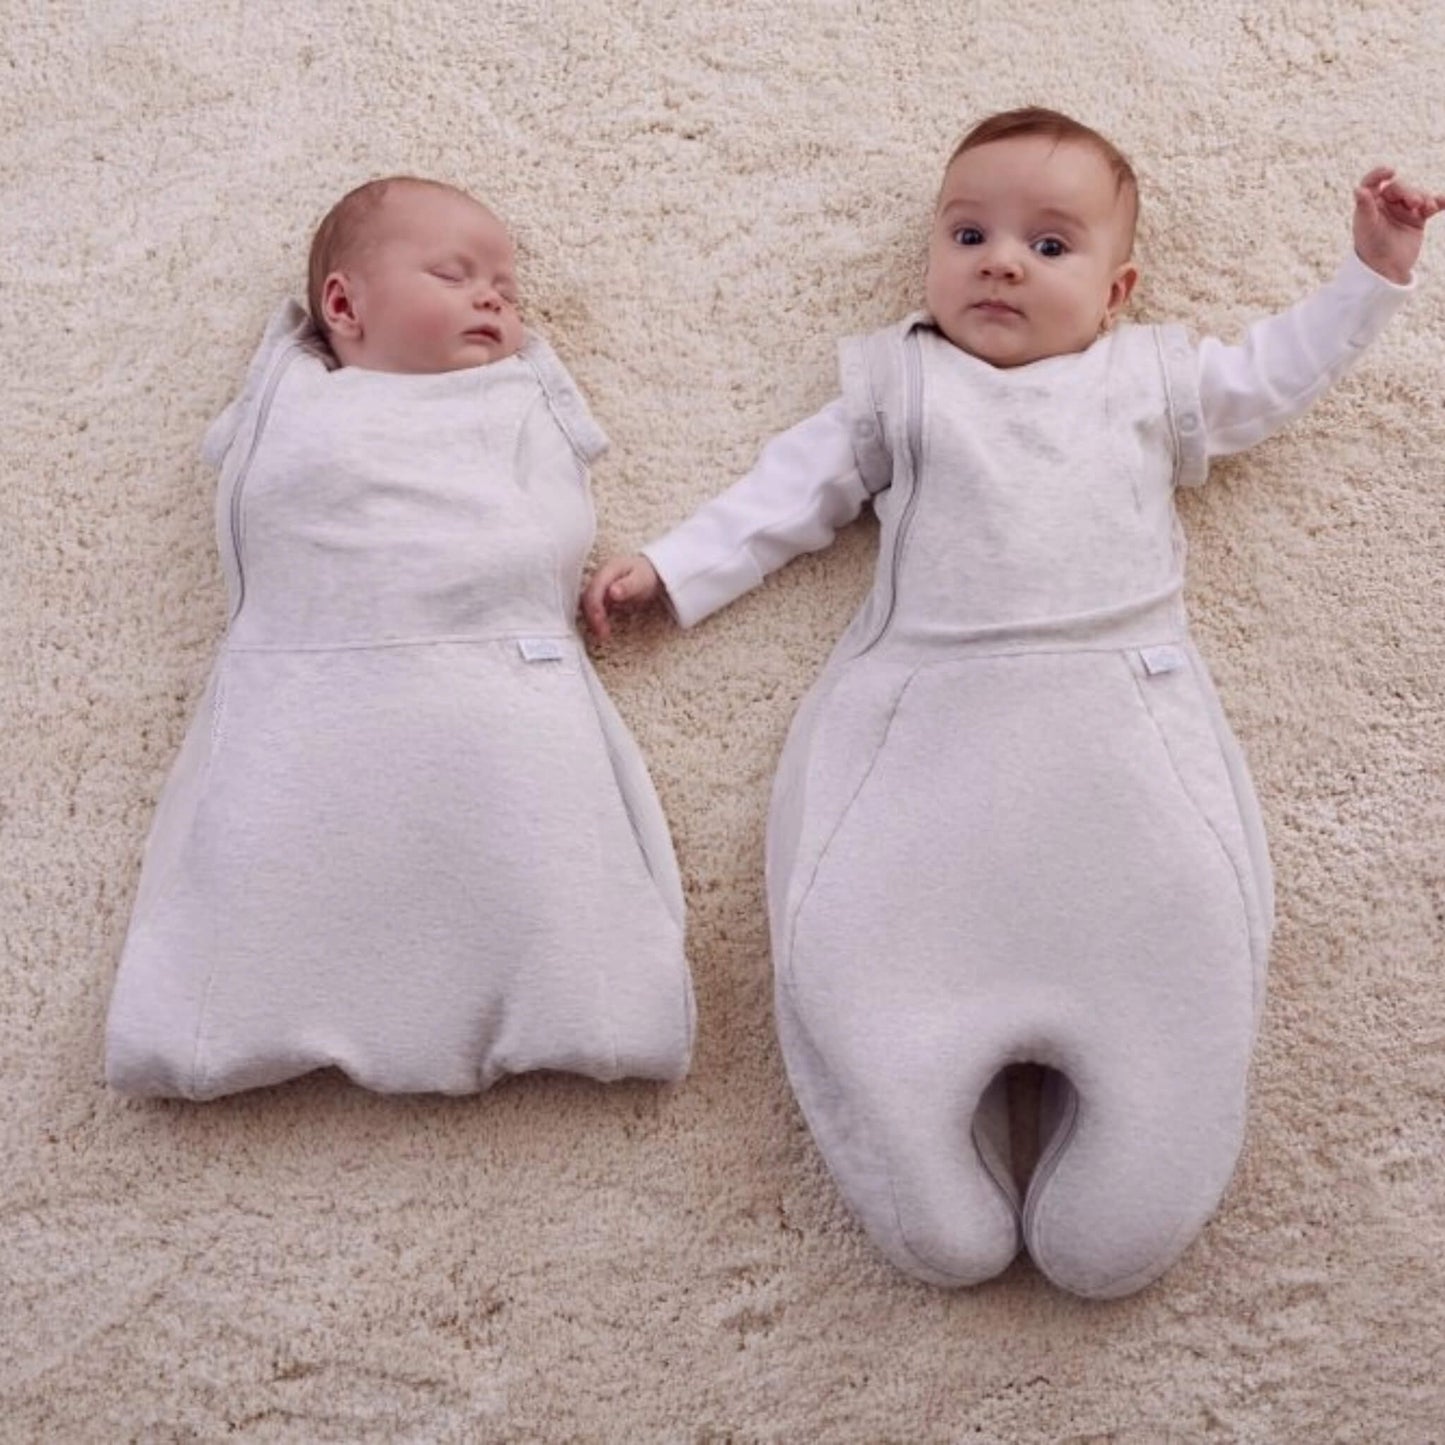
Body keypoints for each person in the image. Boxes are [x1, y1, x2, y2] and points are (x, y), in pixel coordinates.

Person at [582, 109, 1442, 1297]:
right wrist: (672, 569)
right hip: (928, 741)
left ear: (1115, 288)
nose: (999, 260)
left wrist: (1370, 273)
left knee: (1179, 927)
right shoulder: (901, 386)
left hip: (1116, 745)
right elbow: (784, 494)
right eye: (970, 231)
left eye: (1049, 246)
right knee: (857, 935)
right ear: (929, 257)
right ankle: (916, 1158)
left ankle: (1139, 1167)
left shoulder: (1145, 380)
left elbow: (1269, 377)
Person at [106, 177, 695, 1100]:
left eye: (504, 283)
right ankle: (214, 1022)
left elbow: (538, 530)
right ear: (343, 305)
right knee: (261, 849)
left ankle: (590, 1005)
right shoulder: (295, 406)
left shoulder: (508, 398)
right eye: (455, 275)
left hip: (495, 672)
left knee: (542, 843)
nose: (495, 297)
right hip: (306, 682)